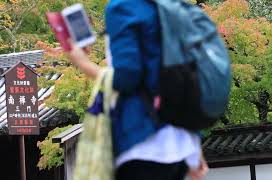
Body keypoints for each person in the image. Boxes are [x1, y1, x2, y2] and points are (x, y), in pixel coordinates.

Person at [66, 0, 208, 179]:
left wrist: (83, 63)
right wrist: (195, 147)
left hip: (142, 142)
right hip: (181, 142)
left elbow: (127, 78)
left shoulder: (122, 7)